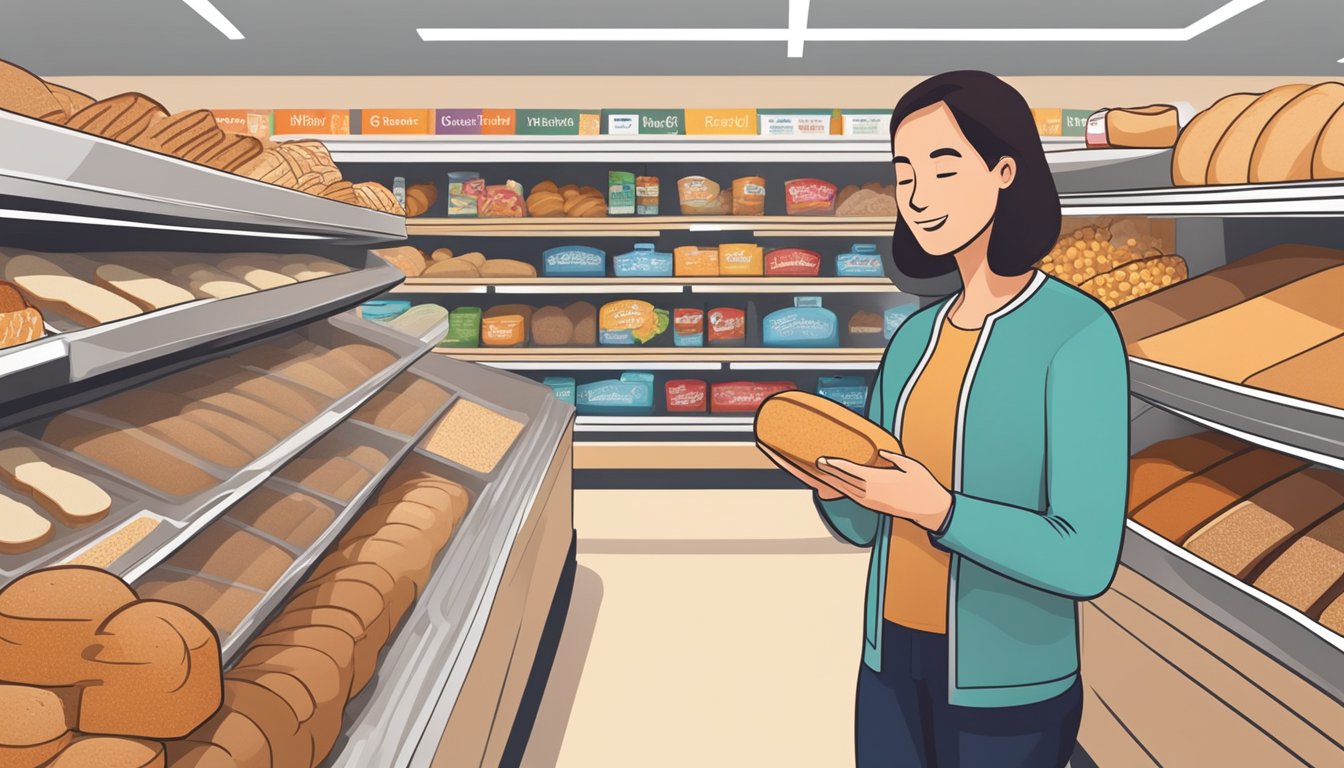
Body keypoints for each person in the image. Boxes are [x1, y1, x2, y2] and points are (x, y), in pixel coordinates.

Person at [760, 71, 1129, 767]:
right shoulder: (913, 340)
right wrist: (832, 484)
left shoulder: (1077, 335)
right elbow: (869, 526)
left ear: (1004, 170)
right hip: (889, 662)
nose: (918, 195)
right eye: (903, 173)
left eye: (942, 166)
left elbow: (1085, 557)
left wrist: (941, 510)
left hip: (1010, 685)